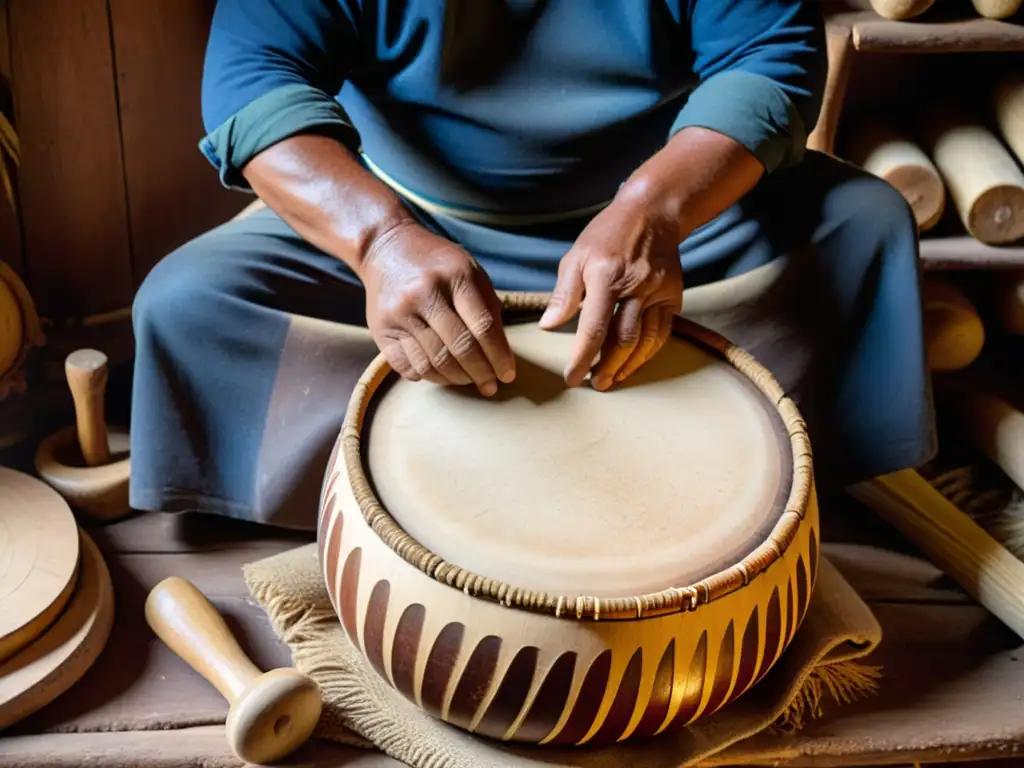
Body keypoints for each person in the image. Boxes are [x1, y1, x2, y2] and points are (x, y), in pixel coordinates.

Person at [128, 0, 937, 531]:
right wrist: (378, 242)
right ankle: (383, 500)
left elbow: (773, 50)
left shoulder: (657, 212)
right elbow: (252, 84)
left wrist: (652, 207)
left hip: (664, 224)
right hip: (410, 226)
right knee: (188, 301)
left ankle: (765, 485)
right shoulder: (387, 234)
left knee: (864, 229)